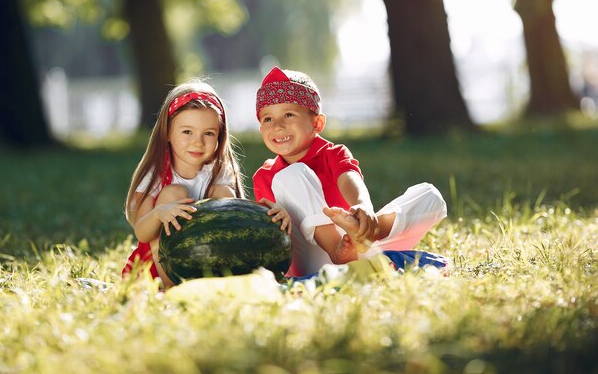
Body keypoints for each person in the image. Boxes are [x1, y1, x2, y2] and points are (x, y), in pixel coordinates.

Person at [253, 66, 448, 277]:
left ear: (317, 123)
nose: (278, 126)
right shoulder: (265, 176)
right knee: (291, 174)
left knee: (430, 195)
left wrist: (363, 207)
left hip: (357, 249)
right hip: (313, 260)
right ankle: (339, 249)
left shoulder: (332, 153)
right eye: (268, 119)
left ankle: (366, 232)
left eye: (288, 115)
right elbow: (268, 234)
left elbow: (349, 178)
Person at [122, 80, 291, 288]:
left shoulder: (218, 173)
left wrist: (270, 217)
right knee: (173, 194)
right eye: (187, 132)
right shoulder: (157, 173)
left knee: (223, 192)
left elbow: (239, 224)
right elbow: (141, 232)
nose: (198, 142)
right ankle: (171, 290)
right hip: (157, 268)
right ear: (167, 132)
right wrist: (160, 213)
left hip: (207, 260)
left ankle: (223, 279)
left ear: (219, 137)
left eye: (208, 133)